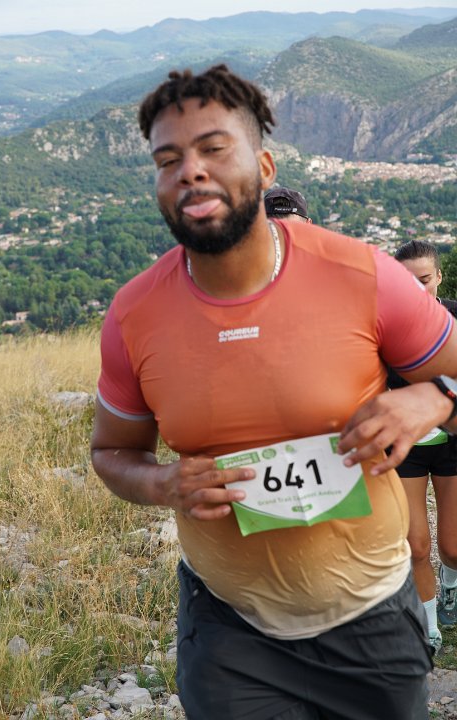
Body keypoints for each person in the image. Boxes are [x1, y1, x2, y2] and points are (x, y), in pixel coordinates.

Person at [91, 64, 457, 720]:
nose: (190, 171)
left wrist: (437, 399)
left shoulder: (364, 276)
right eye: (168, 160)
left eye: (213, 148)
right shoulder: (133, 316)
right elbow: (111, 452)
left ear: (263, 168)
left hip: (373, 621)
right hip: (230, 633)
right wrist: (160, 482)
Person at [388, 240, 457, 655]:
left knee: (452, 546)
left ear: (440, 277)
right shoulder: (384, 327)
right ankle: (428, 626)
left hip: (452, 445)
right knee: (416, 544)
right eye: (407, 281)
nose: (417, 289)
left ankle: (450, 583)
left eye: (425, 280)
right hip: (406, 448)